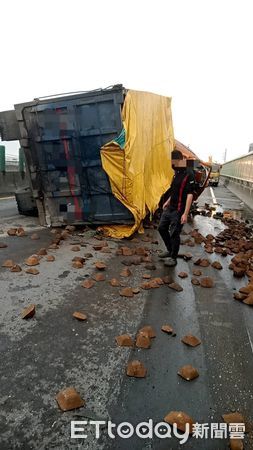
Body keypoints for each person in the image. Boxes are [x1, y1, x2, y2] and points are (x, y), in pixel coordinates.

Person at [158, 150, 195, 267]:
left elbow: (190, 194)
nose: (172, 164)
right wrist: (167, 202)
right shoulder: (176, 172)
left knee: (174, 233)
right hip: (170, 207)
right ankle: (169, 250)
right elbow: (174, 190)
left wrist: (185, 214)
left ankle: (173, 258)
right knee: (161, 228)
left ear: (179, 160)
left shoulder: (189, 173)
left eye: (173, 162)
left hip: (179, 210)